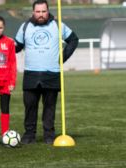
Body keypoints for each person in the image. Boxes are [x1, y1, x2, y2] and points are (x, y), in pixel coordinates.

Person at [14, 0, 79, 144]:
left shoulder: (57, 25)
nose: (41, 14)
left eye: (44, 11)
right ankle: (29, 135)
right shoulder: (25, 27)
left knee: (49, 107)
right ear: (33, 12)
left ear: (48, 11)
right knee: (30, 106)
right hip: (31, 74)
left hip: (52, 73)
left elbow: (73, 39)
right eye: (38, 12)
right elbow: (17, 46)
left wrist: (63, 56)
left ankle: (49, 135)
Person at [0, 16, 17, 136]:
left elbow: (12, 63)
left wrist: (12, 82)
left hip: (5, 82)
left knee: (5, 109)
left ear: (4, 28)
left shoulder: (9, 42)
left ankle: (5, 134)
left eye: (0, 27)